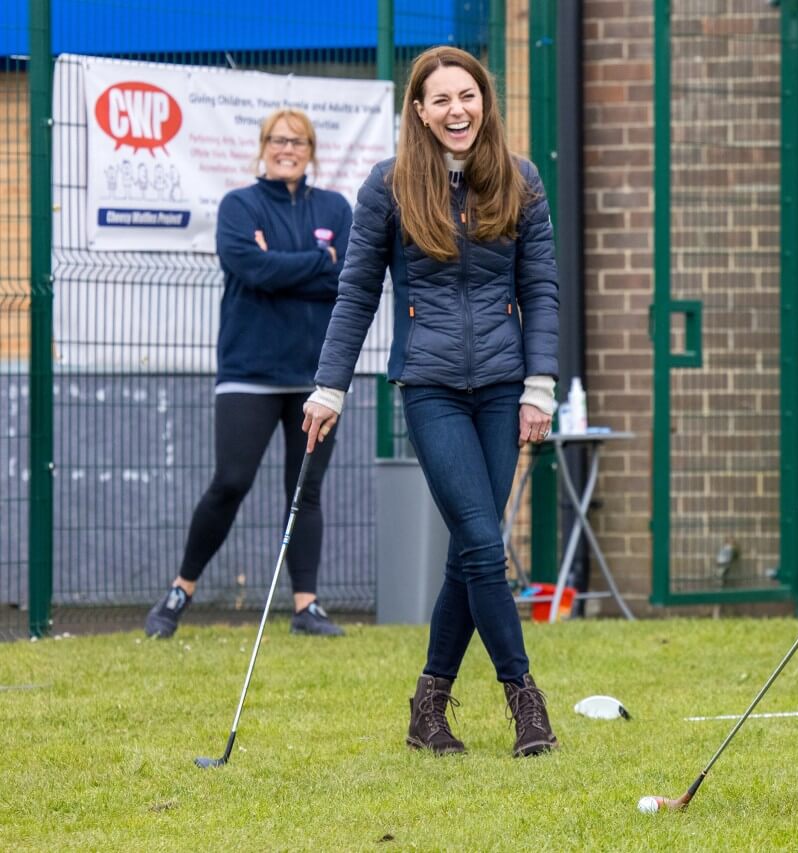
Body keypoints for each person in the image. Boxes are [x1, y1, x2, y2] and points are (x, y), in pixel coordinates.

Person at [301, 46, 561, 758]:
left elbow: (541, 289)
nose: (457, 110)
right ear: (419, 111)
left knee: (467, 553)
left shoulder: (522, 180)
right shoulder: (387, 187)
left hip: (506, 389)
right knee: (482, 541)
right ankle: (527, 704)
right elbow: (355, 292)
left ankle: (429, 708)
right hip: (431, 387)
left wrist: (540, 385)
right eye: (441, 99)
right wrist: (329, 386)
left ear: (485, 103)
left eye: (468, 97)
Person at [144, 109, 353, 639]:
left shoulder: (336, 207)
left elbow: (347, 278)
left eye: (299, 141)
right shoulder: (240, 205)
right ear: (263, 146)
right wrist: (316, 259)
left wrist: (289, 265)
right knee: (230, 482)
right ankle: (180, 591)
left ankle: (306, 607)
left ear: (312, 149)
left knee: (304, 489)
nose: (289, 149)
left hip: (315, 379)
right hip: (248, 373)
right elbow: (250, 269)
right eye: (279, 140)